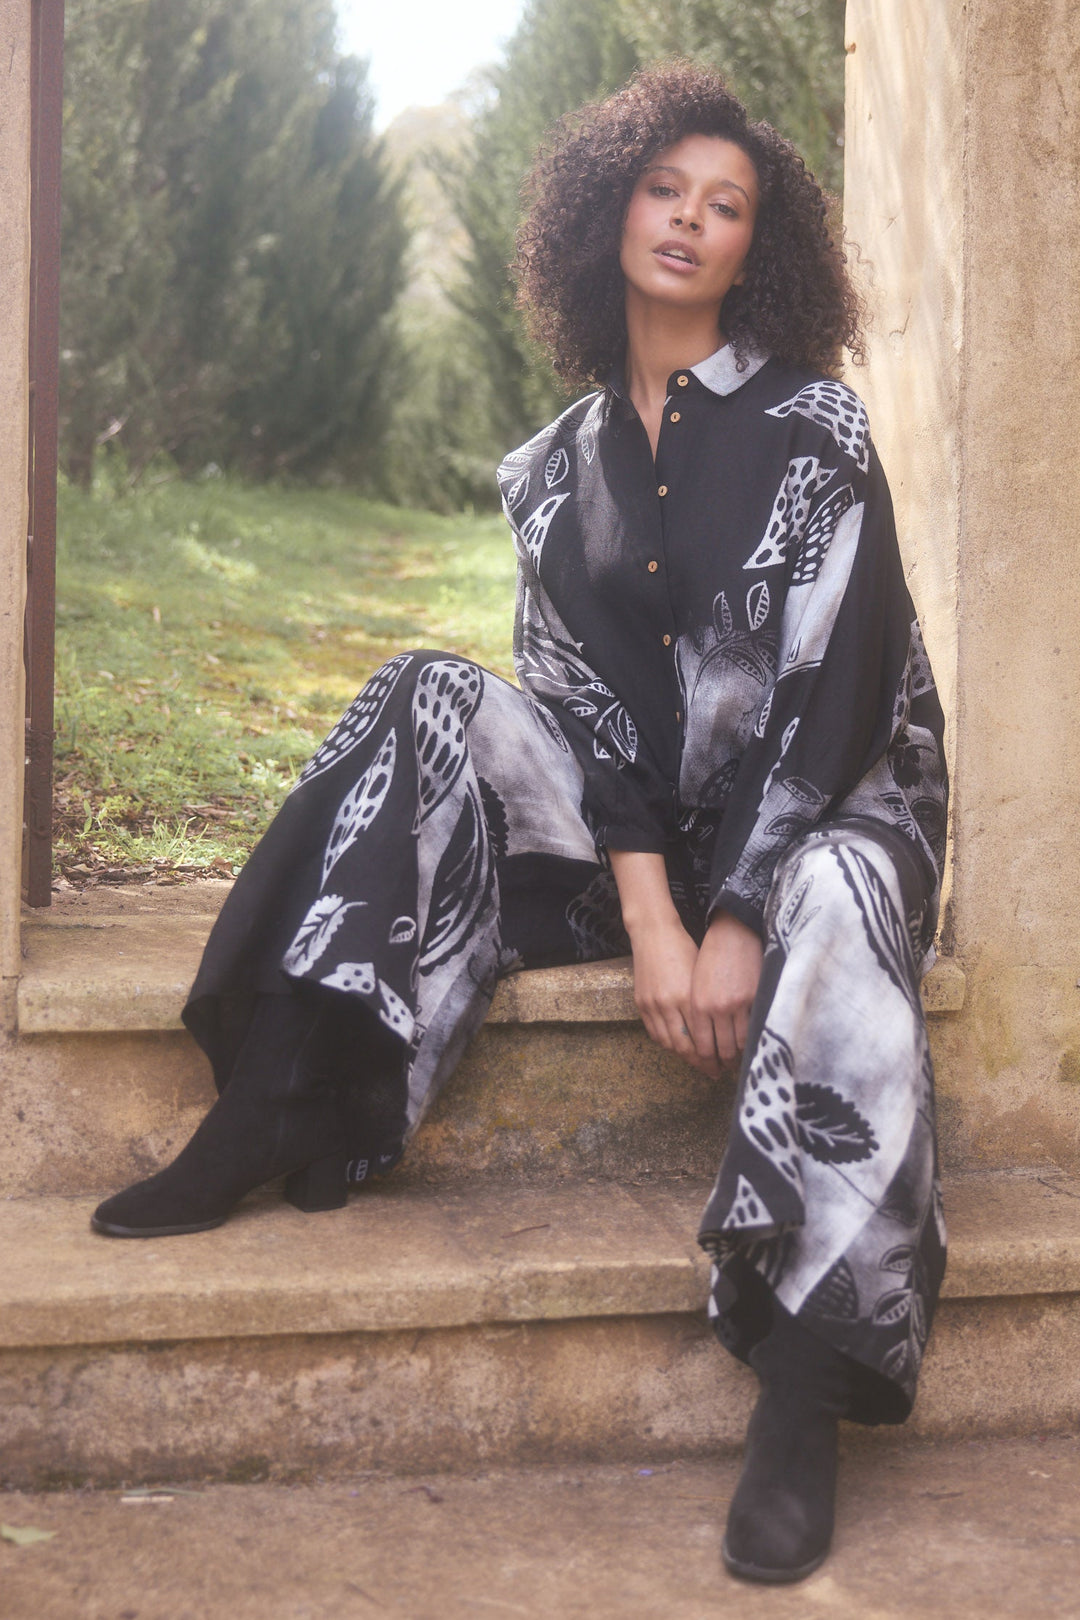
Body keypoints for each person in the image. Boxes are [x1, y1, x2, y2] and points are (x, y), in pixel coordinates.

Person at [91, 63, 948, 1586]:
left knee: (830, 889)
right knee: (426, 690)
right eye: (664, 190)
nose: (689, 222)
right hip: (655, 848)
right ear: (605, 209)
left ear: (763, 246)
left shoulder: (817, 424)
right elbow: (586, 720)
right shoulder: (546, 475)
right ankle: (282, 1097)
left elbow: (840, 693)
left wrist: (734, 914)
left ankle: (804, 1391)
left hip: (835, 813)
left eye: (727, 205)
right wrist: (650, 922)